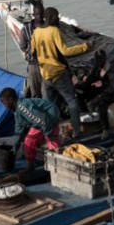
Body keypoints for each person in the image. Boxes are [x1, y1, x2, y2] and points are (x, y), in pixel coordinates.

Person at [31, 7, 90, 140]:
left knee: (47, 105)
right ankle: (76, 131)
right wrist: (85, 46)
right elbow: (65, 51)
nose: (58, 19)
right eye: (56, 16)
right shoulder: (54, 31)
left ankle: (48, 133)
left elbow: (33, 53)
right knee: (71, 101)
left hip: (45, 74)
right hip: (59, 74)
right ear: (52, 17)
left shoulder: (36, 32)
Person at [0, 88, 61, 171]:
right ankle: (30, 165)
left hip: (50, 116)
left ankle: (57, 165)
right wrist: (16, 145)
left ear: (11, 100)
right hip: (39, 122)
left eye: (4, 102)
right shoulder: (16, 110)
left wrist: (48, 133)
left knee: (52, 141)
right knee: (28, 141)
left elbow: (43, 120)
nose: (4, 105)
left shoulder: (23, 107)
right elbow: (19, 126)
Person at [75, 50, 114, 140]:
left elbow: (112, 88)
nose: (99, 62)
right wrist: (79, 87)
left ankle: (105, 128)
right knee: (81, 94)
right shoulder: (97, 68)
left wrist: (100, 95)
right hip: (103, 88)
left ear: (105, 59)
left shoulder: (111, 71)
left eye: (101, 60)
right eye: (98, 60)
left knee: (102, 103)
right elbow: (90, 80)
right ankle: (88, 116)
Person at [17, 0, 46, 98]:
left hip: (47, 64)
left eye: (42, 14)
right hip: (34, 65)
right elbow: (23, 46)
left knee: (47, 91)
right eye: (38, 14)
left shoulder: (49, 27)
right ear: (33, 14)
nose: (40, 16)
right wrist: (31, 54)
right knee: (35, 91)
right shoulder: (26, 29)